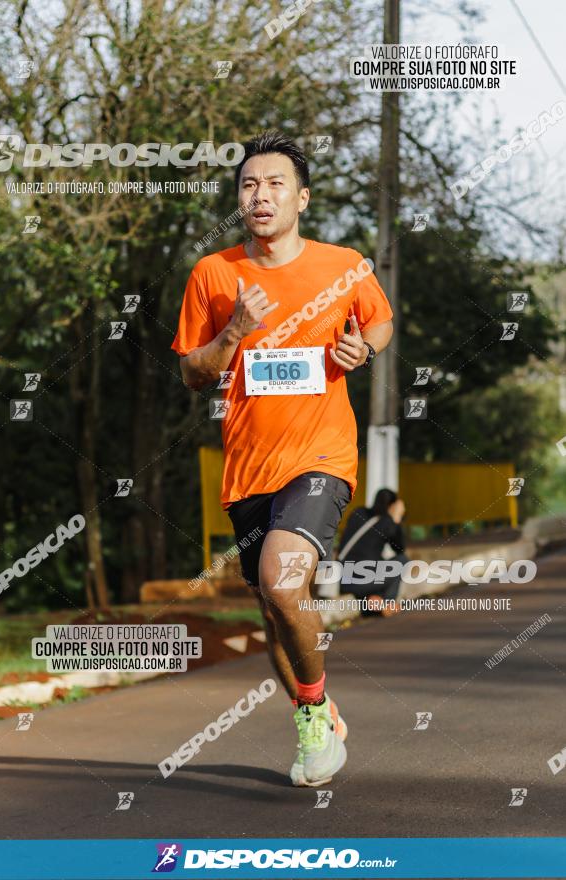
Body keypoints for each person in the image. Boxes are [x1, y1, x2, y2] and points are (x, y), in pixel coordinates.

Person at [172, 130, 393, 786]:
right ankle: (314, 713)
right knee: (273, 607)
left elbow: (376, 320)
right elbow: (191, 373)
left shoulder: (343, 265)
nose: (259, 194)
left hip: (321, 455)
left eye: (273, 184)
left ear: (302, 198)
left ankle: (314, 707)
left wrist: (365, 350)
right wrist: (234, 331)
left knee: (280, 579)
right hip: (247, 465)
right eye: (248, 184)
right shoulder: (213, 275)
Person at [337, 488, 407, 616]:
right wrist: (396, 518)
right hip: (364, 581)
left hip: (344, 580)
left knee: (376, 562)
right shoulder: (387, 522)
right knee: (402, 561)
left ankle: (372, 602)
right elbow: (400, 548)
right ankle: (386, 603)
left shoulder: (358, 512)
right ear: (392, 506)